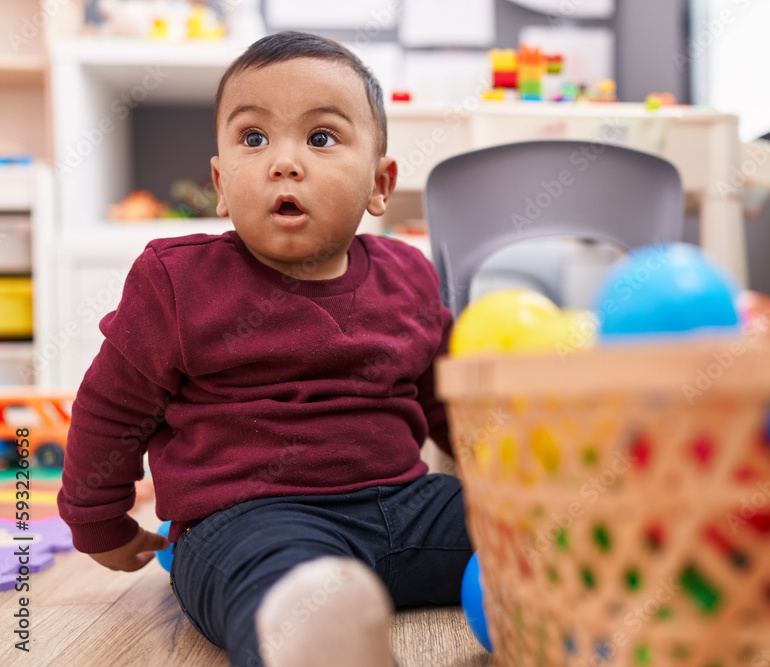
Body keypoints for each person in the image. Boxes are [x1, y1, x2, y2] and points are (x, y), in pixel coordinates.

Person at [57, 31, 472, 667]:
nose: (284, 162)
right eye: (254, 138)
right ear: (221, 184)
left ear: (379, 184)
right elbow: (113, 408)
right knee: (276, 581)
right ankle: (317, 636)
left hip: (404, 510)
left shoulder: (409, 276)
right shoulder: (178, 281)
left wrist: (496, 473)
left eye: (321, 137)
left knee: (519, 524)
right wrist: (98, 520)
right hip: (246, 519)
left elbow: (446, 400)